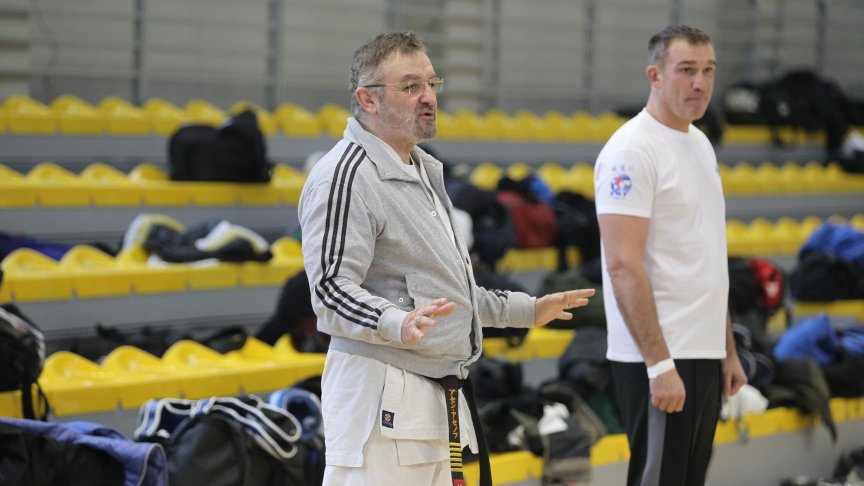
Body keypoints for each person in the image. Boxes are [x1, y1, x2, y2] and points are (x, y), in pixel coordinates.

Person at [298, 31, 595, 486]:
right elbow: (330, 290)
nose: (428, 97)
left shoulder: (420, 169)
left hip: (433, 394)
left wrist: (528, 311)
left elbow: (446, 294)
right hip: (379, 396)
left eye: (431, 83)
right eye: (410, 86)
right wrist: (395, 322)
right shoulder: (346, 176)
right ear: (367, 99)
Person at [593, 25, 747, 486]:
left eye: (708, 71)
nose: (700, 83)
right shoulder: (631, 151)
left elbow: (707, 260)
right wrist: (659, 366)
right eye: (686, 70)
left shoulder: (699, 143)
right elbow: (621, 264)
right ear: (655, 76)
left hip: (702, 351)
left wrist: (727, 350)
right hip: (659, 358)